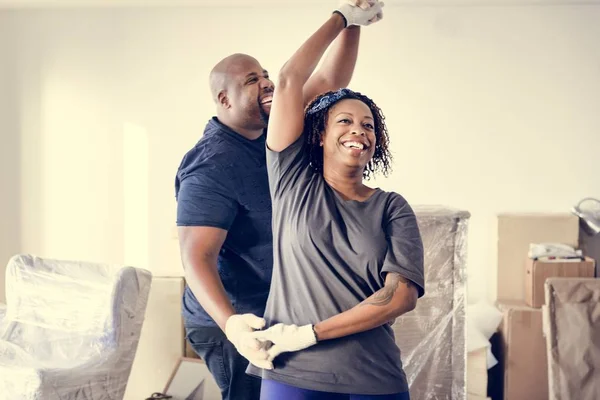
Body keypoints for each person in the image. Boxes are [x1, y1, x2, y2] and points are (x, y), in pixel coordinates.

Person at [174, 2, 382, 399]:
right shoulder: (211, 165)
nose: (267, 83)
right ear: (225, 99)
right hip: (234, 315)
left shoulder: (275, 130)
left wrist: (356, 22)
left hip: (280, 308)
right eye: (252, 80)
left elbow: (327, 80)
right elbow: (194, 256)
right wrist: (232, 325)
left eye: (266, 74)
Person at [245, 4, 425, 400]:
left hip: (372, 378)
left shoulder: (392, 207)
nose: (358, 130)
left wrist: (309, 333)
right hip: (292, 375)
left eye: (368, 125)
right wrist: (346, 16)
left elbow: (401, 296)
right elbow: (292, 77)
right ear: (320, 136)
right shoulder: (292, 182)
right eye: (344, 121)